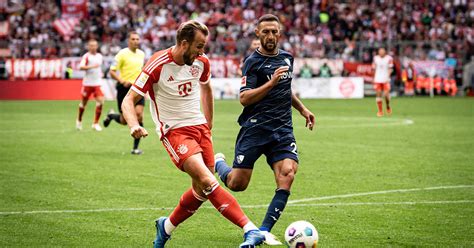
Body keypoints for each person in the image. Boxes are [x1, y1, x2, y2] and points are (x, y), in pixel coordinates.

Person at [121, 20, 265, 248]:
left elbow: (206, 88)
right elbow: (129, 99)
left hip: (199, 128)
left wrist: (208, 124)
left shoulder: (201, 62)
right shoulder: (158, 64)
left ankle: (166, 226)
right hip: (174, 131)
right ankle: (251, 229)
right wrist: (132, 125)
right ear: (184, 43)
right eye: (199, 46)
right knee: (208, 181)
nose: (202, 51)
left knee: (201, 190)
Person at [214, 14, 316, 246]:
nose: (270, 36)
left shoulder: (288, 58)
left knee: (288, 173)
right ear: (258, 34)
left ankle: (262, 231)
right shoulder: (252, 62)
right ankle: (218, 164)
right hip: (255, 129)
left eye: (274, 31)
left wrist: (302, 109)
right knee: (237, 184)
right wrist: (270, 83)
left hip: (282, 130)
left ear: (279, 33)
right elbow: (244, 98)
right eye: (265, 32)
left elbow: (286, 88)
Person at [104, 31, 146, 155]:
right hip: (124, 88)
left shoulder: (141, 54)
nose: (136, 41)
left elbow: (142, 70)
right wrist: (122, 81)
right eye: (133, 39)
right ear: (129, 41)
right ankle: (112, 116)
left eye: (138, 39)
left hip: (138, 88)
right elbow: (112, 71)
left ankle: (135, 148)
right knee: (124, 120)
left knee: (138, 115)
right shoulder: (121, 54)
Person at [76, 39, 104, 131]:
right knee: (84, 104)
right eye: (91, 45)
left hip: (97, 83)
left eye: (94, 45)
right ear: (88, 47)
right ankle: (79, 121)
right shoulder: (86, 56)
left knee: (100, 101)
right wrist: (92, 67)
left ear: (97, 46)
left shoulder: (100, 56)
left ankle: (95, 123)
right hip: (87, 83)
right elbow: (81, 67)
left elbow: (99, 68)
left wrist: (100, 73)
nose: (93, 47)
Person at [372, 47, 393, 117]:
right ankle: (380, 111)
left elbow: (390, 69)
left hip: (385, 79)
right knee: (378, 94)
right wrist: (373, 78)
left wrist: (388, 77)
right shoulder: (375, 58)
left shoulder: (389, 58)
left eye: (382, 51)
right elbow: (373, 68)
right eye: (380, 51)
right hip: (377, 79)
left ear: (385, 52)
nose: (381, 52)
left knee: (386, 95)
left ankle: (387, 106)